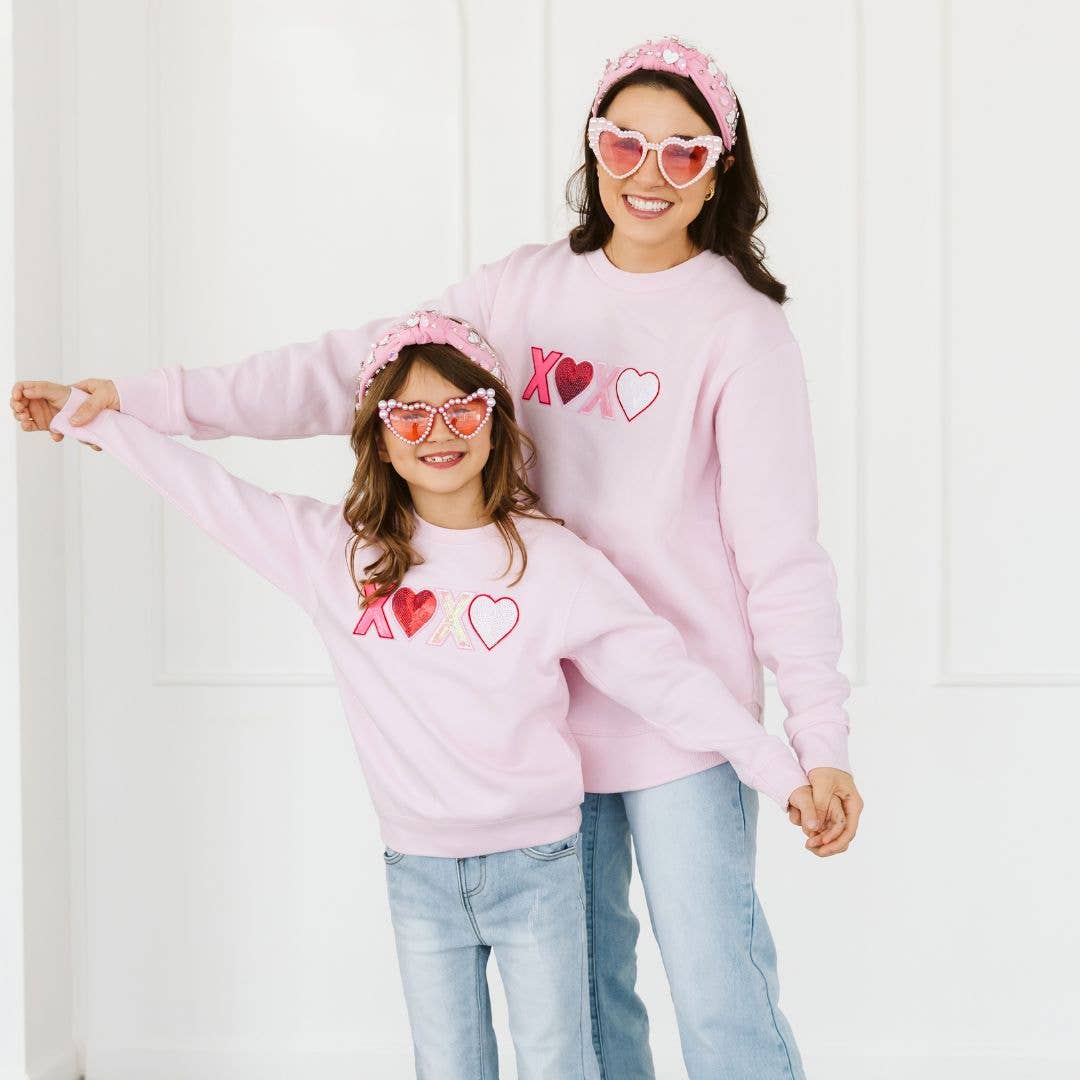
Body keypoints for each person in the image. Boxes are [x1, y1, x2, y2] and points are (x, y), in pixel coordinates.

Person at [12, 34, 864, 1079]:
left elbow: (783, 558)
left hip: (688, 720)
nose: (648, 174)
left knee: (719, 992)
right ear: (592, 148)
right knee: (589, 1020)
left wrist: (817, 738)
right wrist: (143, 403)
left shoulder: (741, 333)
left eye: (682, 153)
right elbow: (352, 376)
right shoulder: (520, 292)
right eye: (623, 143)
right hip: (543, 721)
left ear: (721, 167)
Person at [15, 311, 826, 1079]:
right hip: (419, 874)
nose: (438, 433)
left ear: (497, 424)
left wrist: (787, 772)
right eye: (410, 418)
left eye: (462, 410)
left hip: (540, 867)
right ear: (379, 441)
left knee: (559, 1066)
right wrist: (92, 420)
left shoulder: (552, 564)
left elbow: (668, 682)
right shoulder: (339, 558)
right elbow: (210, 494)